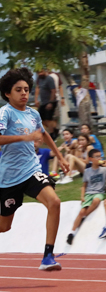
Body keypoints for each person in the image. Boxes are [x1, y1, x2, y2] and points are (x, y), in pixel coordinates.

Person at [0, 67, 70, 270]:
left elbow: (44, 134)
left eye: (26, 89)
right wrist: (25, 137)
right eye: (18, 89)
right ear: (7, 93)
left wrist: (60, 157)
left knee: (54, 202)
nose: (24, 93)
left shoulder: (33, 114)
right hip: (9, 177)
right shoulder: (5, 114)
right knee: (4, 227)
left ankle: (48, 256)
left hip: (31, 170)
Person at [66, 149, 106, 245]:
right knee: (81, 211)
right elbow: (84, 185)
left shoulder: (104, 170)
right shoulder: (87, 171)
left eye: (100, 156)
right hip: (89, 193)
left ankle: (85, 216)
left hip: (99, 192)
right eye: (96, 157)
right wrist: (82, 196)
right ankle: (71, 233)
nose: (99, 158)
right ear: (91, 159)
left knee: (96, 200)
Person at [35, 69, 57, 136]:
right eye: (38, 72)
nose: (40, 74)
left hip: (50, 102)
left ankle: (52, 134)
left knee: (48, 119)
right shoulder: (40, 79)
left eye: (41, 72)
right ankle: (55, 129)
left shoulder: (49, 79)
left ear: (45, 71)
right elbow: (38, 88)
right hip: (43, 102)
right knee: (39, 118)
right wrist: (36, 99)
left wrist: (50, 102)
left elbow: (53, 91)